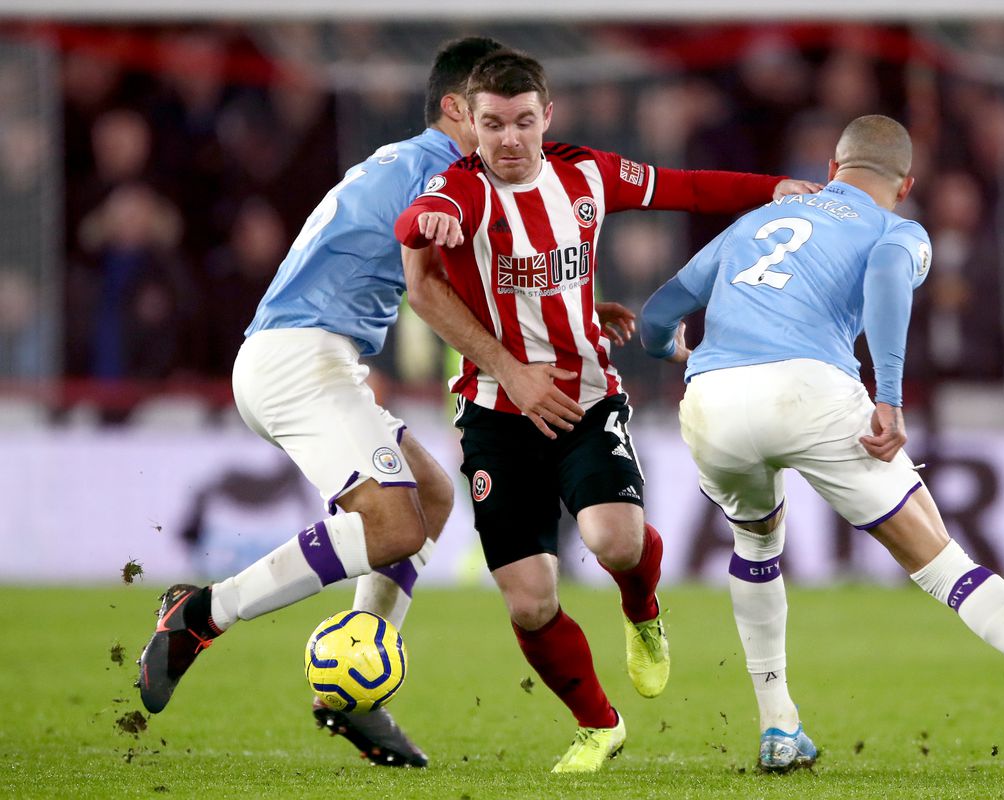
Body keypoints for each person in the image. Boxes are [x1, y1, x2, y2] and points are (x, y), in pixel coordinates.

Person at [640, 114, 1004, 773]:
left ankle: (778, 726)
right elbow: (884, 282)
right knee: (942, 563)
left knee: (756, 543)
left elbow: (657, 311)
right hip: (811, 391)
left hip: (712, 400)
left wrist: (669, 348)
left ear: (831, 169)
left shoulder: (755, 223)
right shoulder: (897, 231)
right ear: (905, 185)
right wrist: (889, 397)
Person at [394, 49, 819, 773]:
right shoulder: (460, 190)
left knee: (616, 542)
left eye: (523, 121)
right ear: (471, 121)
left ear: (547, 116)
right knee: (528, 602)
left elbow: (681, 187)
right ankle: (599, 724)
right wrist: (428, 220)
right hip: (497, 413)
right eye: (492, 124)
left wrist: (774, 186)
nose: (509, 140)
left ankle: (641, 608)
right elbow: (424, 216)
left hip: (586, 396)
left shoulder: (586, 173)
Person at [135, 36, 526, 768]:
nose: (506, 131)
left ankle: (354, 688)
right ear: (455, 109)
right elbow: (450, 286)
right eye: (491, 115)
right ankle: (200, 613)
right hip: (299, 359)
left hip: (312, 357)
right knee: (392, 524)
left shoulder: (407, 163)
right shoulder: (437, 173)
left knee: (430, 498)